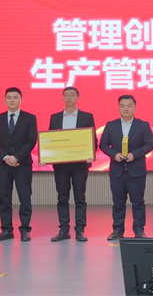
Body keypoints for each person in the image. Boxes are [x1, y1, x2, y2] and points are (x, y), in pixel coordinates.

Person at [99, 95, 153, 240]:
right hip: (117, 171)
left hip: (136, 171)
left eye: (129, 106)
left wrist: (135, 154)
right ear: (118, 107)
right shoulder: (111, 125)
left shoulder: (143, 125)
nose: (126, 109)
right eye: (123, 106)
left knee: (138, 202)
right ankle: (118, 230)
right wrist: (114, 154)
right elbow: (103, 144)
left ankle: (139, 230)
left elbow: (150, 144)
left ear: (135, 107)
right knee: (118, 203)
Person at [46, 86, 96, 242]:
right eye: (66, 95)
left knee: (80, 198)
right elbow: (50, 140)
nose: (69, 97)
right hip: (61, 165)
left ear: (77, 98)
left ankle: (80, 230)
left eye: (72, 95)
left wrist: (90, 153)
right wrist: (47, 155)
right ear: (62, 98)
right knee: (62, 198)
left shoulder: (87, 116)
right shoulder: (55, 117)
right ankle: (64, 230)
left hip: (80, 165)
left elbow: (92, 139)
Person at [0, 87, 38, 242]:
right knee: (4, 198)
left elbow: (32, 141)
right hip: (3, 165)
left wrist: (17, 157)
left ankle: (25, 230)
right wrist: (5, 157)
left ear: (21, 100)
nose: (12, 100)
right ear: (5, 100)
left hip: (23, 164)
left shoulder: (30, 118)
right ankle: (6, 230)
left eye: (15, 97)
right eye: (9, 97)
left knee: (25, 197)